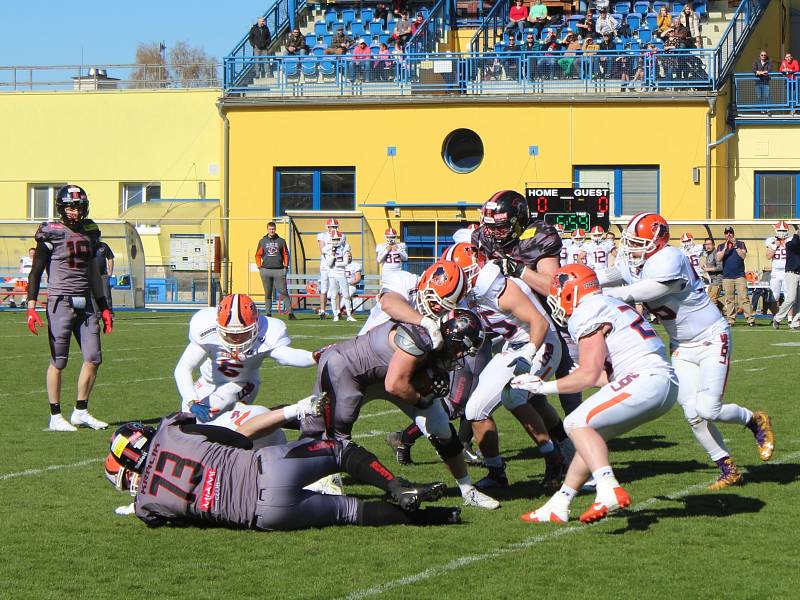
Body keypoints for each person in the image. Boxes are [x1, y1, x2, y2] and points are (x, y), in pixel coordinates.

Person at [601, 213, 774, 490]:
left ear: (657, 242)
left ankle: (753, 420)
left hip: (710, 337)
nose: (631, 248)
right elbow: (609, 274)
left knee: (708, 408)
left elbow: (649, 289)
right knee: (692, 413)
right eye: (630, 242)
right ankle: (728, 469)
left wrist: (607, 294)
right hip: (682, 345)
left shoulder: (670, 258)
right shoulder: (639, 259)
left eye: (637, 242)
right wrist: (581, 281)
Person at [105, 403, 460, 531]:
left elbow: (173, 515)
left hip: (263, 516)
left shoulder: (146, 507)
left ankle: (436, 517)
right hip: (267, 469)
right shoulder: (171, 429)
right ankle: (397, 486)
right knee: (338, 449)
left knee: (350, 512)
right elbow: (238, 440)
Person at [513, 264, 678, 523]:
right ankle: (560, 503)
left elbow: (588, 375)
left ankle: (607, 487)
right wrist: (586, 376)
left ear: (572, 292)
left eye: (558, 293)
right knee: (590, 435)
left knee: (575, 422)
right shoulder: (610, 303)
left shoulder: (587, 310)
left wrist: (542, 386)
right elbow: (603, 377)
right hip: (658, 383)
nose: (556, 299)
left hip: (647, 379)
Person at [303, 307, 501, 509]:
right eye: (461, 348)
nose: (460, 355)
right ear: (451, 334)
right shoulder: (421, 338)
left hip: (390, 376)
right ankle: (319, 474)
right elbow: (395, 385)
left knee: (441, 427)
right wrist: (422, 400)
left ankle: (468, 491)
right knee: (335, 433)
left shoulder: (438, 344)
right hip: (349, 371)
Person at [416, 250, 568, 492]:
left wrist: (528, 356)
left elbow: (538, 323)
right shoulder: (472, 290)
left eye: (461, 276)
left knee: (515, 396)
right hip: (513, 344)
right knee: (475, 410)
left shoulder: (495, 286)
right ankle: (496, 472)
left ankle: (555, 457)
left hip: (540, 343)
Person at [472, 190, 581, 416]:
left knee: (568, 382)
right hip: (508, 317)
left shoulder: (538, 236)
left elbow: (554, 288)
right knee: (481, 376)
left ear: (519, 221)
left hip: (553, 317)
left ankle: (577, 433)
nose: (493, 233)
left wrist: (519, 270)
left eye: (500, 227)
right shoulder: (484, 236)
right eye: (490, 226)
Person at [26, 185, 113, 432]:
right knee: (59, 360)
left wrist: (104, 306)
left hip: (86, 302)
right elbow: (35, 274)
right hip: (60, 301)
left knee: (94, 357)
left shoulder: (90, 232)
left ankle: (81, 411)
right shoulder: (50, 233)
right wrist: (31, 308)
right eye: (69, 206)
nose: (74, 211)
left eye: (77, 206)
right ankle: (55, 415)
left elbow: (94, 273)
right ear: (61, 208)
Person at [174, 293, 316, 431]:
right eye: (230, 333)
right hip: (207, 382)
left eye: (243, 333)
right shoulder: (205, 327)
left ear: (256, 325)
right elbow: (184, 367)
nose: (236, 338)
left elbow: (287, 356)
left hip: (242, 384)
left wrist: (314, 357)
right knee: (188, 421)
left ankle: (279, 419)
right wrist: (191, 400)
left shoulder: (267, 331)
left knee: (224, 402)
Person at [716, 226, 755, 326]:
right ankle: (731, 320)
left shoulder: (740, 244)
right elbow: (718, 258)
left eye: (730, 233)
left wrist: (735, 246)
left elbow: (743, 256)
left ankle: (750, 319)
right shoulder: (721, 246)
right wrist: (725, 248)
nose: (728, 235)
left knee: (744, 298)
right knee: (729, 299)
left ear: (733, 234)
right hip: (727, 277)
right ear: (724, 235)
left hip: (739, 276)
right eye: (726, 233)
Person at [255, 222, 295, 319]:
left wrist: (285, 267)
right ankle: (268, 313)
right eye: (270, 229)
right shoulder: (262, 241)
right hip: (266, 270)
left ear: (275, 229)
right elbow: (257, 255)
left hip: (279, 270)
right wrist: (260, 266)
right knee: (268, 293)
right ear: (267, 229)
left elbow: (286, 254)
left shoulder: (281, 241)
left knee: (283, 291)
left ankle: (290, 313)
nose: (271, 231)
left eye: (273, 229)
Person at [772, 222, 800, 330]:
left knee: (799, 301)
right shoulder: (790, 244)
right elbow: (795, 243)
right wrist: (797, 232)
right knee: (791, 298)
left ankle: (795, 322)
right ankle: (778, 318)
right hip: (792, 273)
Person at [317, 218, 346, 319]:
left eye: (334, 227)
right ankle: (322, 311)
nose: (332, 229)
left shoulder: (341, 235)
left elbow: (341, 249)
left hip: (335, 265)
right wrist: (332, 246)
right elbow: (322, 250)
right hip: (325, 265)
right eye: (331, 227)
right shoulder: (322, 236)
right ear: (327, 227)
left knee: (336, 288)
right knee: (324, 289)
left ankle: (337, 311)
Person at [323, 232, 355, 321]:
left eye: (337, 239)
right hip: (332, 274)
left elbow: (345, 262)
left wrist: (335, 263)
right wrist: (333, 253)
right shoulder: (327, 249)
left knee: (346, 294)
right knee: (334, 294)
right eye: (334, 239)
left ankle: (349, 315)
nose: (336, 241)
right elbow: (329, 264)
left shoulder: (344, 248)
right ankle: (335, 314)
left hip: (341, 273)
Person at [765, 220, 789, 322]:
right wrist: (775, 245)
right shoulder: (771, 240)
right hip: (776, 272)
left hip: (788, 271)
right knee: (774, 296)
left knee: (789, 296)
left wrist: (787, 246)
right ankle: (777, 317)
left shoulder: (791, 240)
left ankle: (790, 319)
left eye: (783, 230)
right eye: (780, 229)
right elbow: (768, 256)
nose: (781, 232)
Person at [702, 237, 723, 309]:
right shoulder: (708, 255)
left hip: (717, 280)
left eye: (710, 244)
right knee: (709, 299)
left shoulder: (716, 254)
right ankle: (726, 311)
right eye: (706, 244)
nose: (708, 246)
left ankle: (715, 318)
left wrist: (708, 269)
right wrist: (705, 268)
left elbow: (720, 267)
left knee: (712, 300)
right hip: (712, 281)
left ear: (713, 245)